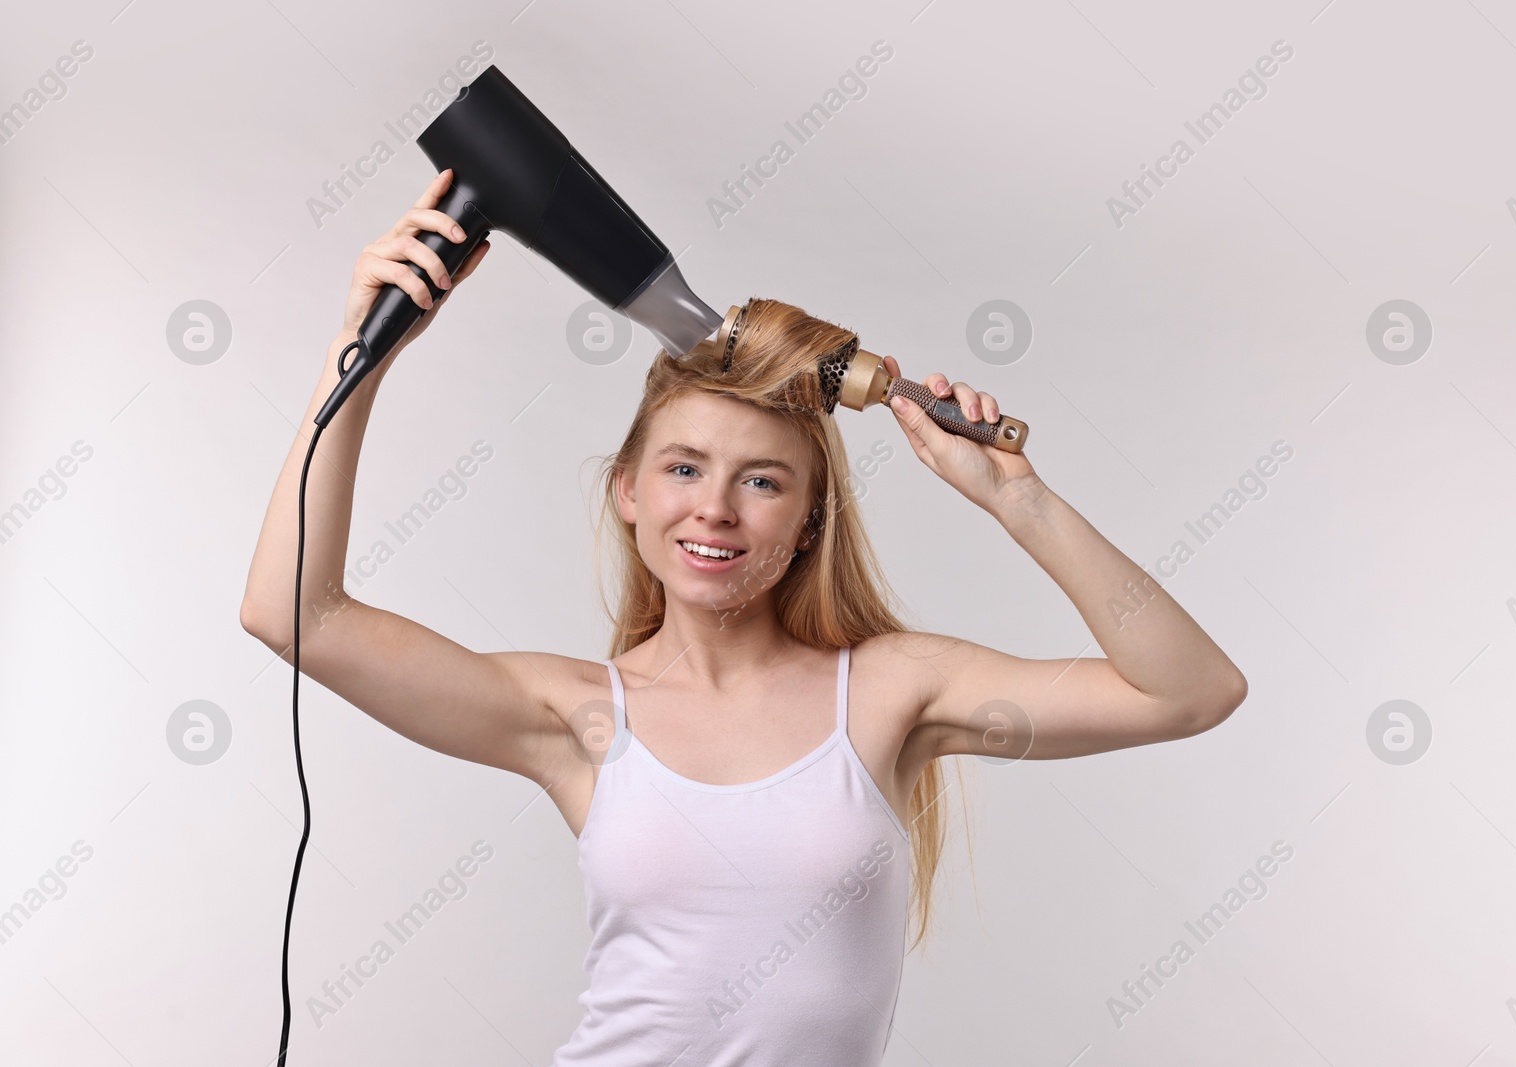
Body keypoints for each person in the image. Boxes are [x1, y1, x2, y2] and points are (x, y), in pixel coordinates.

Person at [240, 170, 1248, 1065]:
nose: (714, 508)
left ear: (810, 519)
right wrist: (357, 354)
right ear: (628, 491)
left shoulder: (892, 689)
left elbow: (1190, 690)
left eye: (761, 480)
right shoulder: (574, 714)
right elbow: (296, 613)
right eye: (683, 468)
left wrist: (1014, 496)